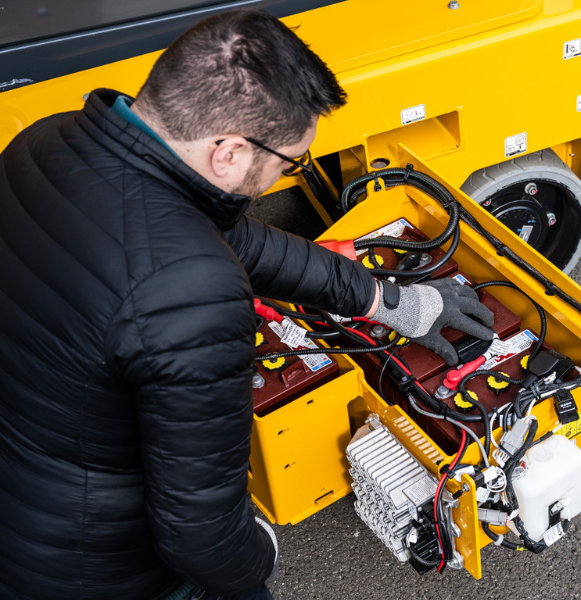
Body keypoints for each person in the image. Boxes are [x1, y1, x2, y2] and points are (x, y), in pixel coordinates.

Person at [0, 9, 493, 600]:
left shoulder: (50, 141)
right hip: (89, 567)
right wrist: (259, 550)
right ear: (229, 152)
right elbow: (201, 538)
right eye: (290, 163)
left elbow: (227, 240)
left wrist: (392, 303)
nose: (282, 177)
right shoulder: (187, 290)